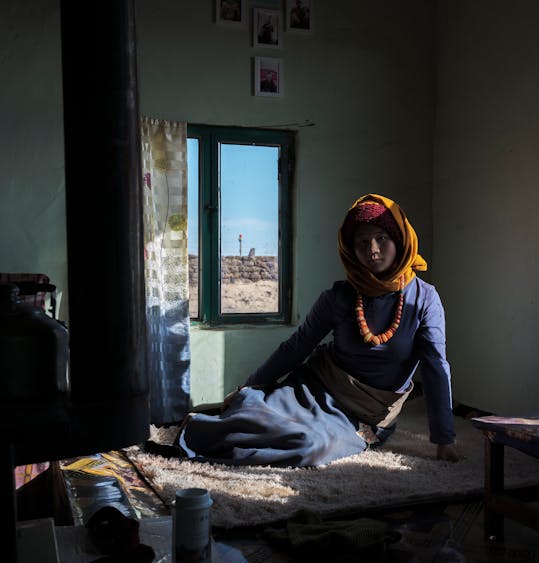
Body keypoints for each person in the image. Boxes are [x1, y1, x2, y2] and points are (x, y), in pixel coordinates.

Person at [169, 193, 459, 467]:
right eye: (362, 242)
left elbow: (435, 366)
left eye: (381, 238)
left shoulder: (424, 299)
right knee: (254, 410)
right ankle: (198, 429)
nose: (372, 249)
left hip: (364, 414)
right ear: (350, 250)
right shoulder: (338, 297)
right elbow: (297, 347)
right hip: (313, 389)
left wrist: (444, 438)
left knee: (312, 446)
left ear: (399, 240)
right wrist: (250, 385)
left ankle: (218, 438)